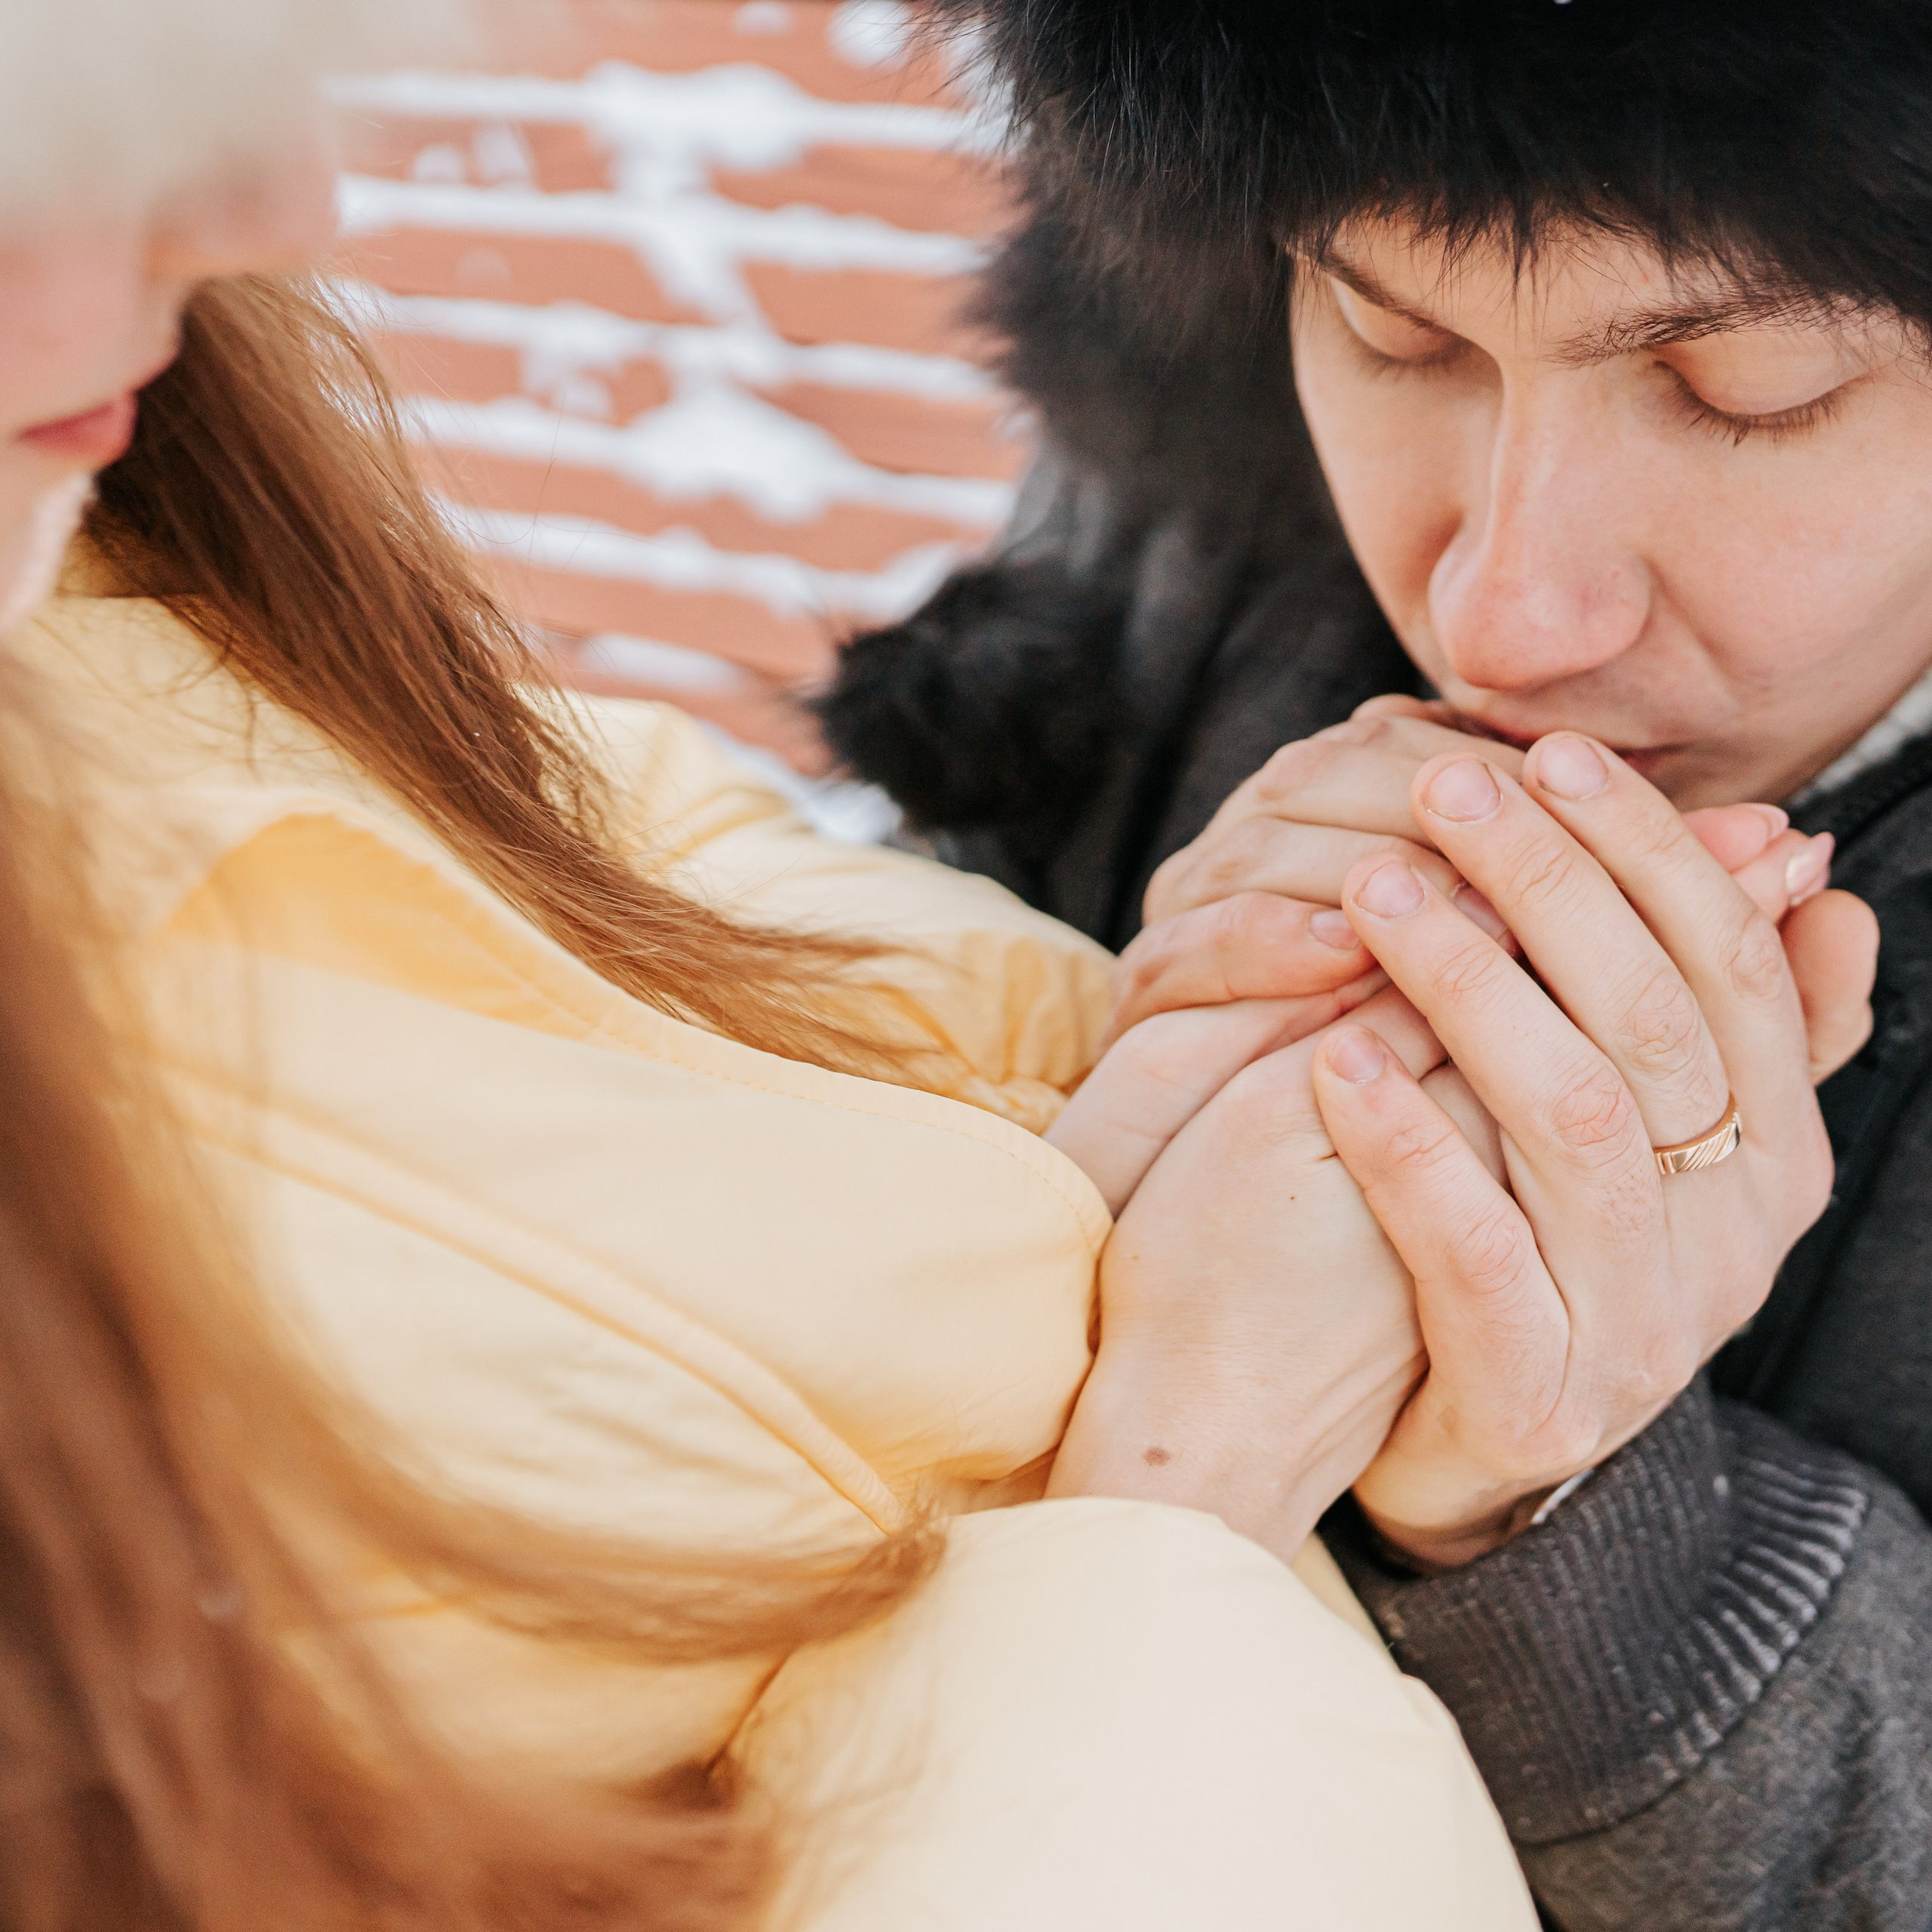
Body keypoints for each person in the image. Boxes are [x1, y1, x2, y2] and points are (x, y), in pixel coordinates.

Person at [0, 6, 1553, 1925]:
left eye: (1753, 391)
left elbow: (696, 937)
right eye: (1389, 335)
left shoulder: (128, 583)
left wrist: (1153, 1051)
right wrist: (1184, 1477)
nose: (271, 202)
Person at [821, 2, 1932, 1925]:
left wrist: (1569, 1528)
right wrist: (1040, 1101)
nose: (1503, 611)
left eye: (1746, 385)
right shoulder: (1177, 515)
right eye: (1390, 331)